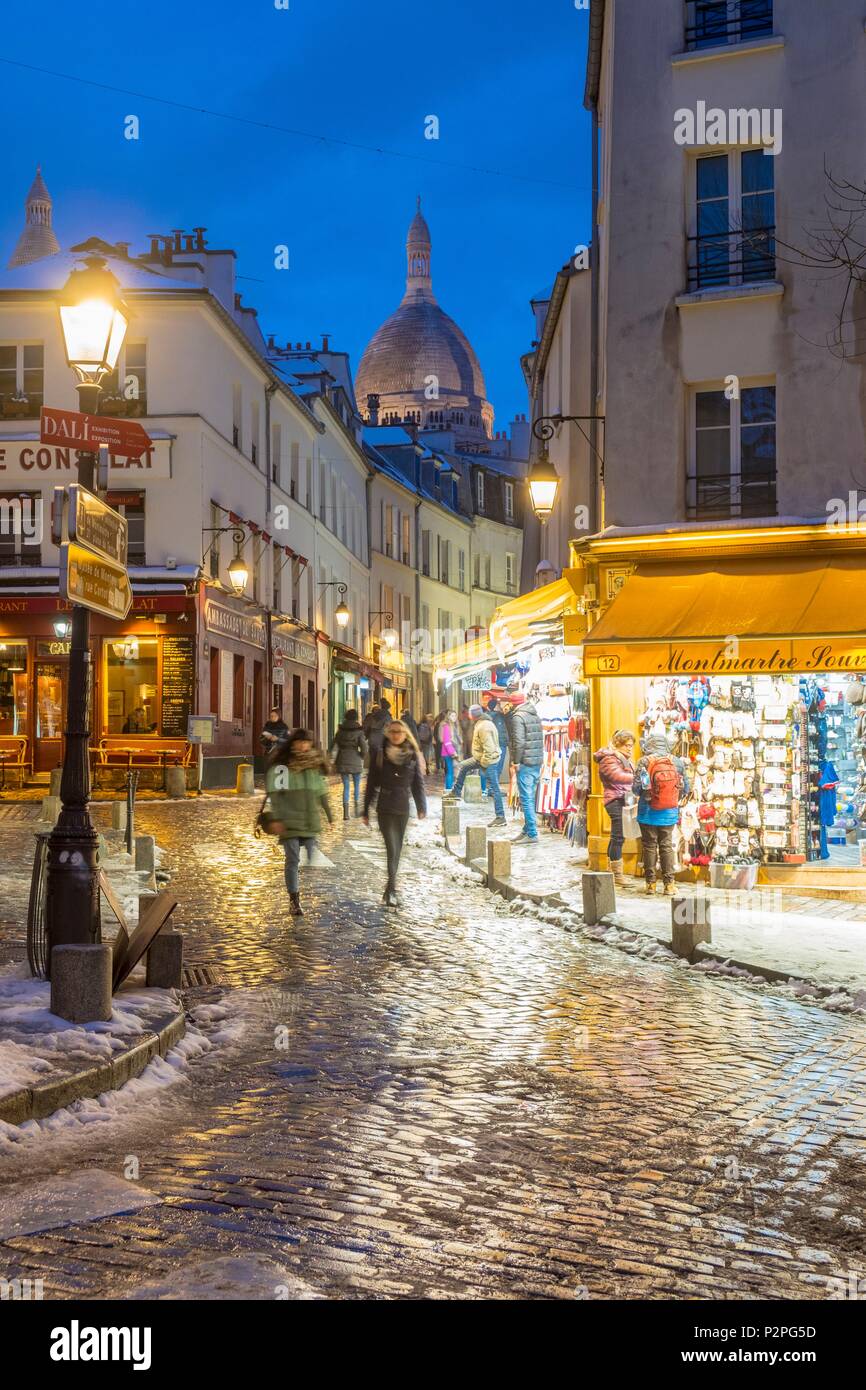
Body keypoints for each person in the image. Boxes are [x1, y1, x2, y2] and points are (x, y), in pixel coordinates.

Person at [265, 729, 333, 917]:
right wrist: (276, 818)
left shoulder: (315, 766)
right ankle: (294, 900)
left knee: (311, 848)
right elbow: (274, 793)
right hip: (288, 819)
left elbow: (321, 792)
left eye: (306, 742)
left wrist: (329, 815)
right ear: (293, 744)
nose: (303, 746)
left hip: (309, 819)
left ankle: (298, 888)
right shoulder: (282, 767)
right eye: (299, 742)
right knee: (293, 858)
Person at [363, 720, 427, 907]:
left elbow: (417, 783)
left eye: (399, 732)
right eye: (392, 732)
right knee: (392, 848)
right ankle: (392, 890)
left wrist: (421, 806)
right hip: (385, 806)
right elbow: (371, 783)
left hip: (403, 807)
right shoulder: (380, 754)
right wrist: (365, 809)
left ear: (405, 734)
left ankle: (389, 888)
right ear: (388, 734)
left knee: (397, 850)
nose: (396, 735)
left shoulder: (412, 755)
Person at [633, 733, 689, 895]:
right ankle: (669, 885)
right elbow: (686, 788)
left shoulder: (644, 761)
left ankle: (650, 884)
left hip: (648, 811)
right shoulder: (676, 762)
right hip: (669, 811)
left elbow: (636, 789)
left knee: (649, 846)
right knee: (666, 845)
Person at [447, 704, 506, 827]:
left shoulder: (484, 726)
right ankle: (456, 792)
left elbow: (489, 749)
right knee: (463, 766)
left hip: (489, 760)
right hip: (481, 758)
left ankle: (500, 817)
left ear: (473, 715)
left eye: (469, 713)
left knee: (494, 789)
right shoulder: (482, 723)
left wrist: (484, 765)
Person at [593, 730, 636, 885]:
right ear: (618, 744)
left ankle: (611, 871)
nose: (630, 749)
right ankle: (617, 875)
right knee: (618, 837)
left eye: (631, 746)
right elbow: (616, 777)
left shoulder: (622, 758)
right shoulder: (609, 758)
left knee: (616, 837)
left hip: (622, 800)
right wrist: (637, 778)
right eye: (627, 745)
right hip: (615, 800)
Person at [507, 696, 544, 845]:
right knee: (530, 796)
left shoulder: (518, 717)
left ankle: (532, 833)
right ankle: (526, 830)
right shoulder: (534, 714)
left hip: (525, 762)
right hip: (536, 761)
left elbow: (519, 741)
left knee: (526, 798)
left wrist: (516, 761)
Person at [330, 708, 368, 819]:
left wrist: (331, 758)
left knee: (346, 786)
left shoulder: (340, 731)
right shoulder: (359, 732)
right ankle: (356, 810)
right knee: (356, 786)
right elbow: (364, 748)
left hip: (342, 759)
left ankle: (346, 813)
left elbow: (332, 745)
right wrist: (361, 755)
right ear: (356, 717)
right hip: (355, 759)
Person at [486, 697, 510, 796]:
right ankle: (493, 790)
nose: (500, 707)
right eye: (498, 705)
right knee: (498, 767)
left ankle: (491, 788)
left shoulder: (488, 716)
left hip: (492, 745)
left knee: (493, 767)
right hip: (499, 745)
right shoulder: (498, 717)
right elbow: (500, 734)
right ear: (495, 706)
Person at [439, 710, 458, 790]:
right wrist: (453, 752)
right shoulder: (446, 726)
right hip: (448, 752)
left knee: (450, 771)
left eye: (455, 716)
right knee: (450, 772)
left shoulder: (450, 725)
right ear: (448, 716)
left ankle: (448, 789)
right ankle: (449, 790)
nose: (454, 718)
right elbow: (446, 741)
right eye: (452, 716)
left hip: (448, 752)